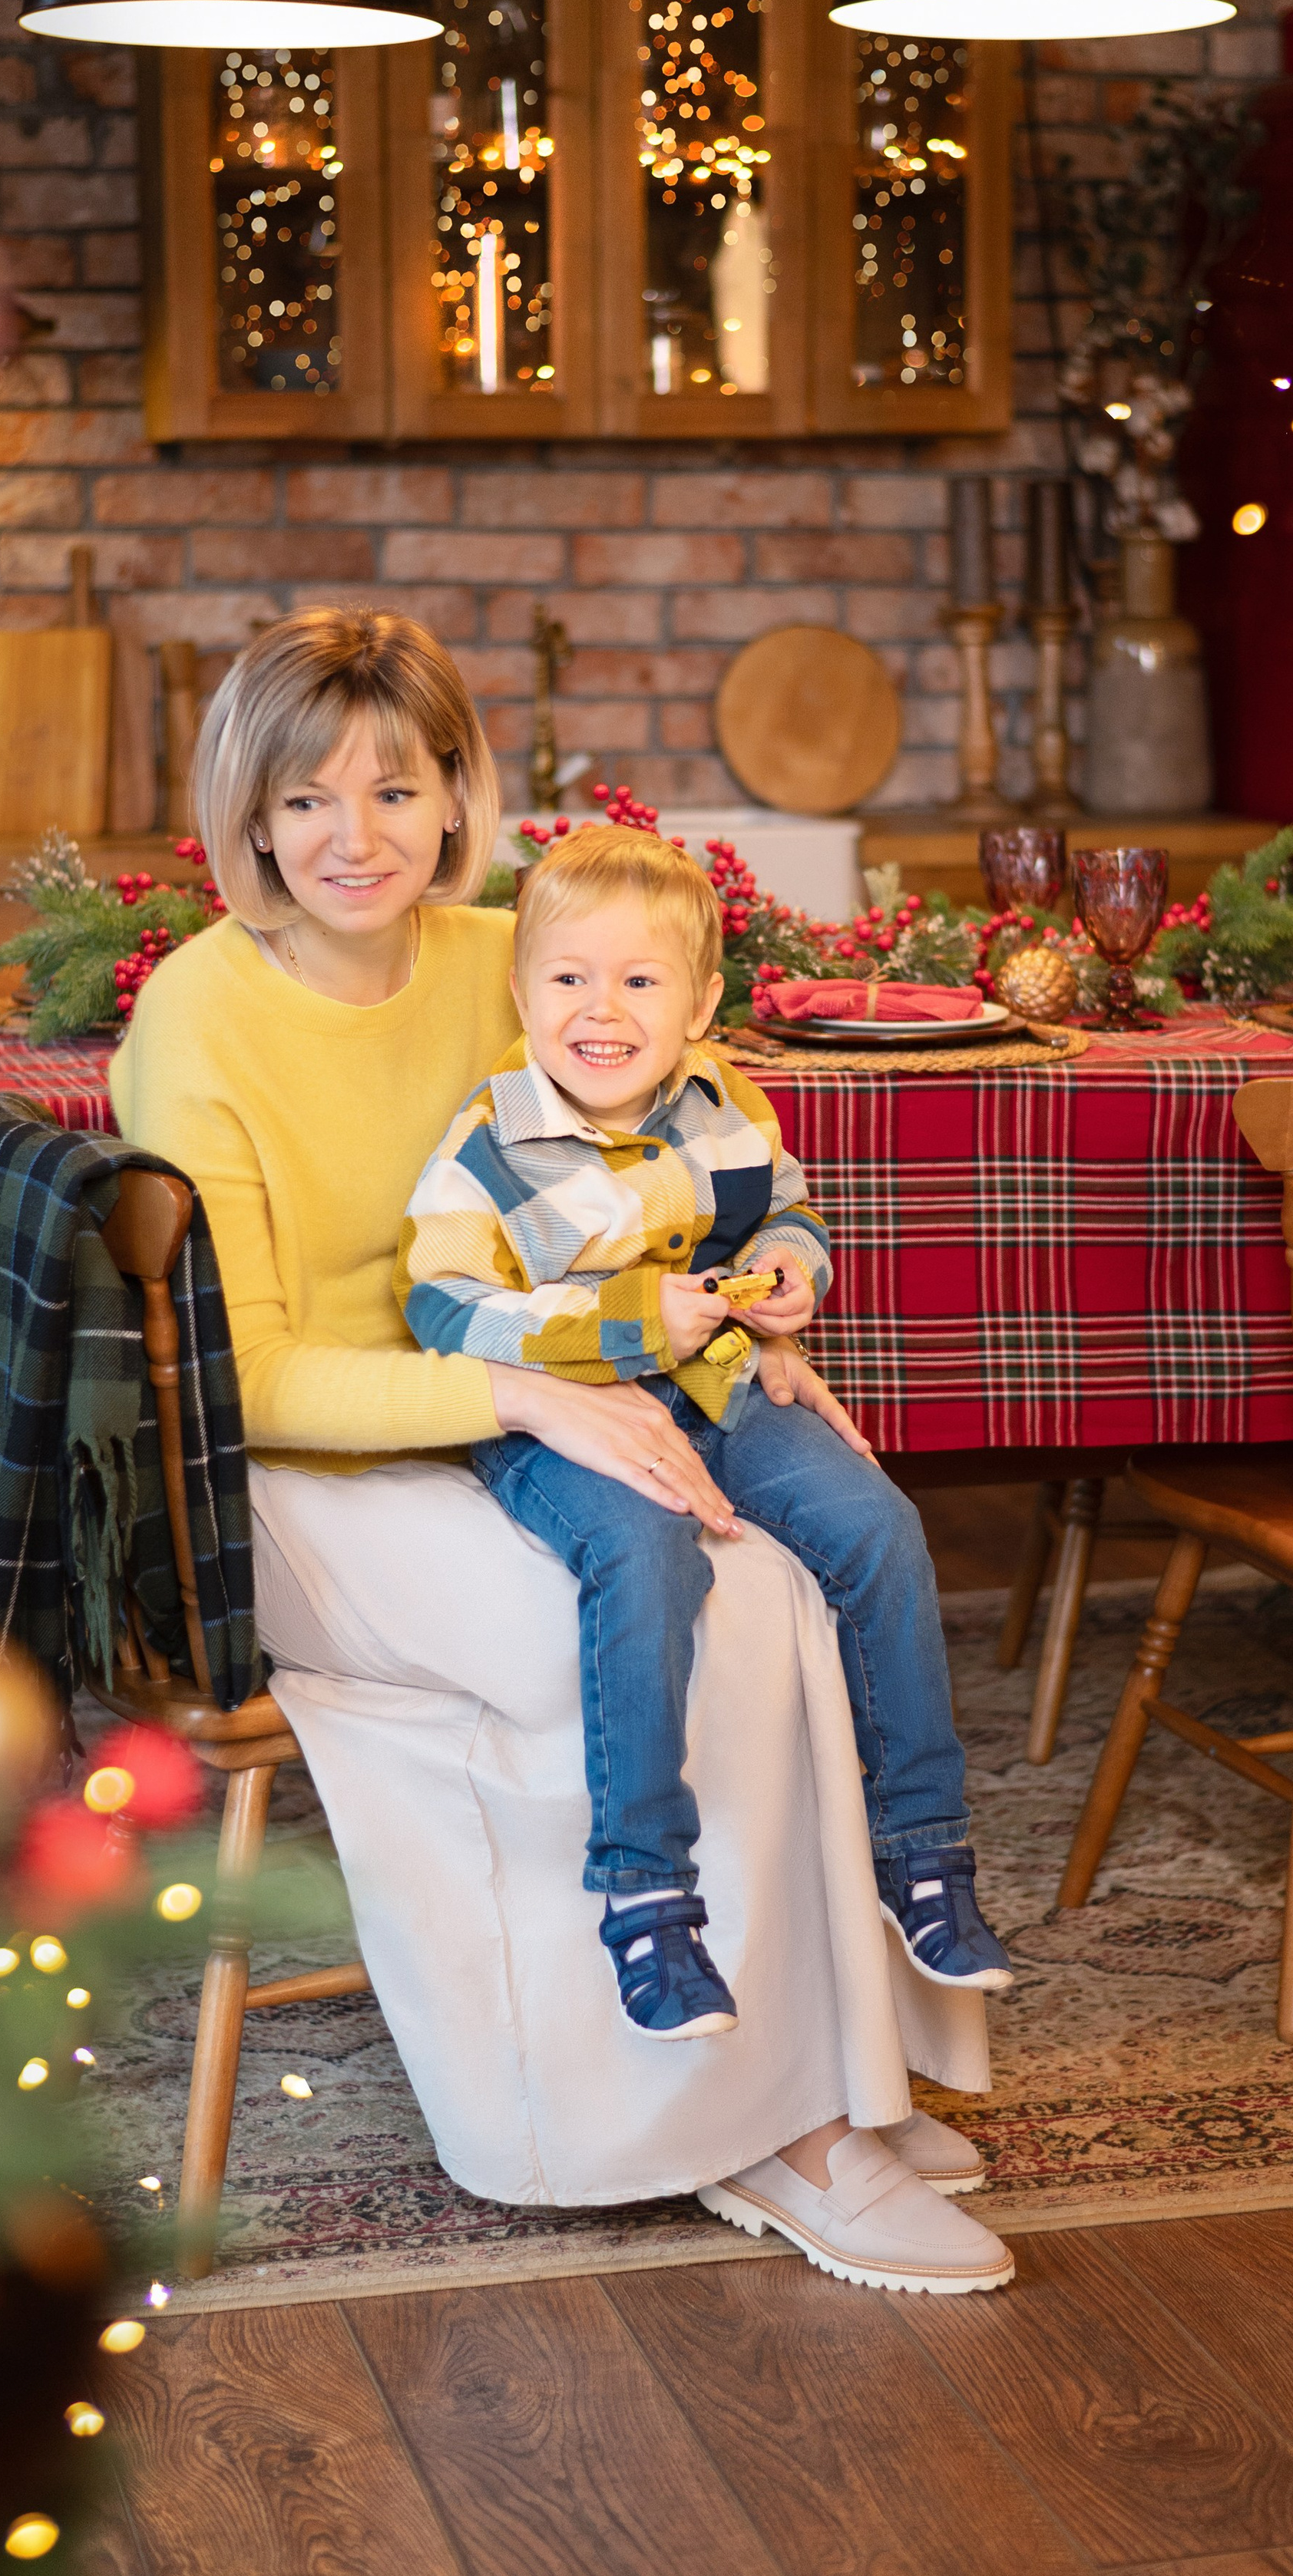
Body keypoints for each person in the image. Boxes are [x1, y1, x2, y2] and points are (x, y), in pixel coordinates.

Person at [111, 607, 1010, 2295]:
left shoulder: (505, 953)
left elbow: (691, 1117)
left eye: (396, 788)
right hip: (316, 1461)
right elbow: (247, 1369)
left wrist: (759, 1324)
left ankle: (837, 2071)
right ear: (246, 816)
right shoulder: (199, 1017)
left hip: (559, 1396)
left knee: (786, 1566)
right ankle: (764, 2132)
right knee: (692, 1615)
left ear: (460, 798)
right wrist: (520, 1397)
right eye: (304, 800)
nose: (353, 837)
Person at [397, 823, 1014, 2052]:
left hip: (722, 1383)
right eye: (567, 978)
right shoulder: (491, 1139)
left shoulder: (723, 1099)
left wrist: (790, 1273)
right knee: (647, 1556)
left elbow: (783, 1208)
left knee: (878, 1530)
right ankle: (644, 1891)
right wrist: (623, 1319)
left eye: (638, 981)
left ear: (699, 1003)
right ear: (522, 993)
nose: (600, 1010)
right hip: (557, 1420)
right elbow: (440, 1305)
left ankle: (923, 1854)